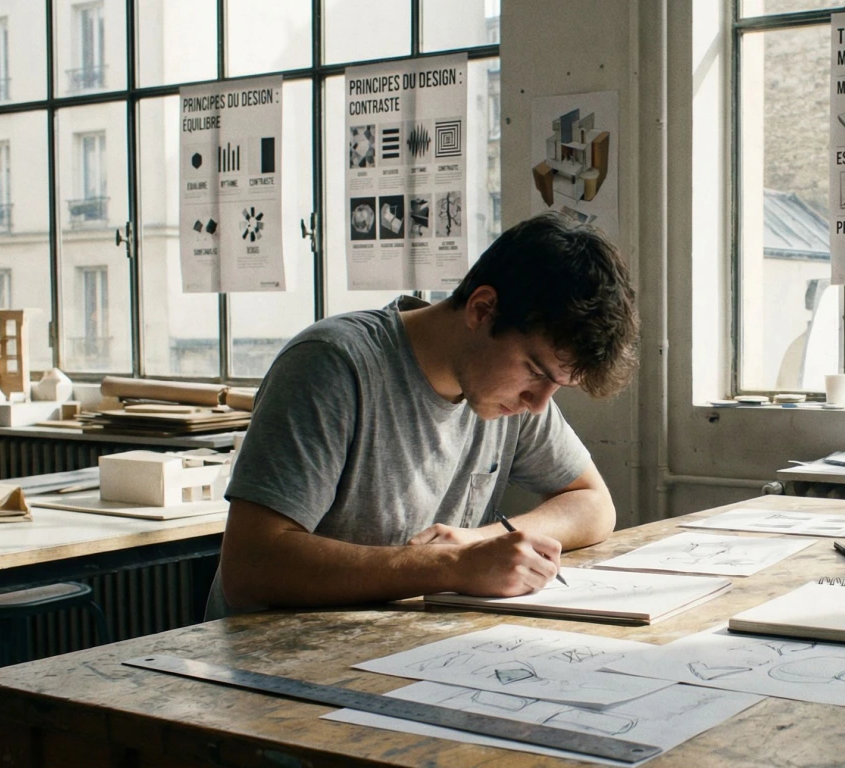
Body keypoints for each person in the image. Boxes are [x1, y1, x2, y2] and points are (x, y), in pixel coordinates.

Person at [207, 212, 639, 618]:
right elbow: (250, 567)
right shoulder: (333, 366)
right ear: (482, 309)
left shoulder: (513, 393)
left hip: (390, 649)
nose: (539, 403)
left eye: (557, 386)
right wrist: (451, 565)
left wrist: (476, 543)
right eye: (535, 371)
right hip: (267, 662)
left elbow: (595, 504)